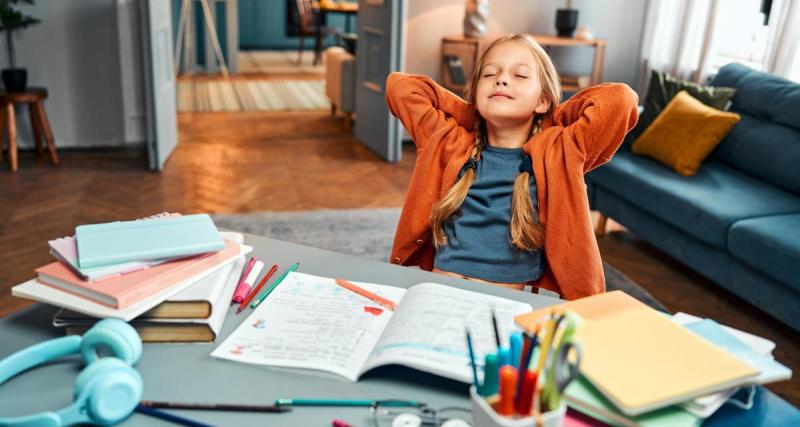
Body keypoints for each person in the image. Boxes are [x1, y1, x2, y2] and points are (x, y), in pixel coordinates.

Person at [384, 33, 639, 300]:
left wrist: (551, 116)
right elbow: (399, 87)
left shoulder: (560, 152)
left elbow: (621, 100)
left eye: (520, 75)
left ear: (542, 100)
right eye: (489, 74)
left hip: (503, 306)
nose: (501, 79)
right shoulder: (450, 141)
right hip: (436, 293)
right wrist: (472, 112)